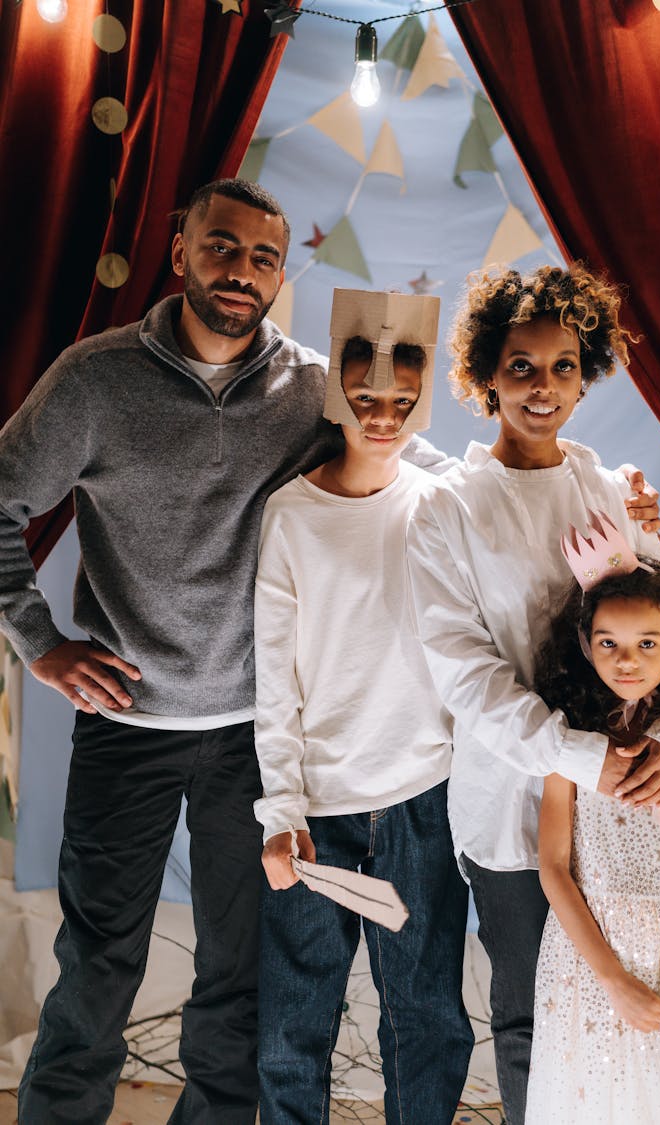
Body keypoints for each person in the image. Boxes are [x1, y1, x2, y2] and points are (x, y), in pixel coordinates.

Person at [0, 180, 448, 1124]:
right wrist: (40, 642)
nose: (241, 271)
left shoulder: (311, 388)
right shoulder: (93, 379)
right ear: (180, 250)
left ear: (283, 274)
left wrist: (592, 484)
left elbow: (410, 455)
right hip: (129, 722)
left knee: (236, 981)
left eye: (263, 258)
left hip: (253, 731)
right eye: (223, 247)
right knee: (96, 970)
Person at [405, 263, 660, 1125]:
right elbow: (469, 677)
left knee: (641, 1012)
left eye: (561, 366)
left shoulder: (604, 488)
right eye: (520, 366)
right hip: (516, 814)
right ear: (485, 376)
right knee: (532, 1017)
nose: (542, 386)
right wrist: (585, 758)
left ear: (584, 371)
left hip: (632, 809)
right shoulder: (448, 510)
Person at [254, 288, 474, 1124]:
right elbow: (277, 680)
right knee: (293, 1030)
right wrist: (281, 809)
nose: (382, 416)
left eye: (400, 402)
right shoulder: (291, 516)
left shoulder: (446, 499)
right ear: (337, 395)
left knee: (427, 1019)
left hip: (424, 800)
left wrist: (625, 498)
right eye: (366, 399)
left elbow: (540, 488)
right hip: (318, 814)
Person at [525, 533, 660, 1124]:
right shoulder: (571, 739)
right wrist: (614, 982)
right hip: (595, 967)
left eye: (647, 642)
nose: (627, 659)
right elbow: (554, 867)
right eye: (609, 642)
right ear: (585, 643)